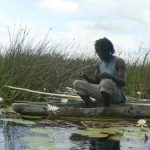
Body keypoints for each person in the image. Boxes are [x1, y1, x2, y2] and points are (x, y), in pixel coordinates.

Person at [73, 37, 126, 107]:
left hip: (117, 97)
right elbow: (96, 81)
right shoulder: (99, 63)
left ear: (107, 50)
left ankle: (106, 107)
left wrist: (110, 77)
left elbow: (123, 82)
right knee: (77, 83)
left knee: (106, 82)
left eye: (100, 51)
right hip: (103, 93)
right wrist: (85, 77)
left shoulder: (119, 62)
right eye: (97, 51)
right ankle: (90, 104)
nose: (98, 54)